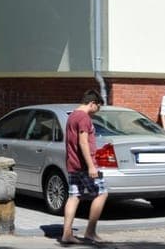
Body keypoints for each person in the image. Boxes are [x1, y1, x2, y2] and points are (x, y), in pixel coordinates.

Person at [60, 89, 108, 246]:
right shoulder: (84, 118)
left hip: (72, 164)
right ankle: (90, 232)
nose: (97, 111)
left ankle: (67, 234)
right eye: (98, 107)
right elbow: (83, 142)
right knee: (101, 193)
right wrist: (91, 166)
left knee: (74, 196)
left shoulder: (72, 115)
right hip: (84, 165)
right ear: (92, 103)